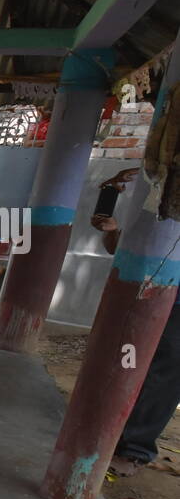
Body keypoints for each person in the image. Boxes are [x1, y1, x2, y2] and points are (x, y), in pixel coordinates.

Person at [92, 168, 180, 478]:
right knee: (129, 356)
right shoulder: (152, 188)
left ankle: (134, 447)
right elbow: (116, 248)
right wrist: (112, 228)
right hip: (149, 285)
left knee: (168, 368)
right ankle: (105, 427)